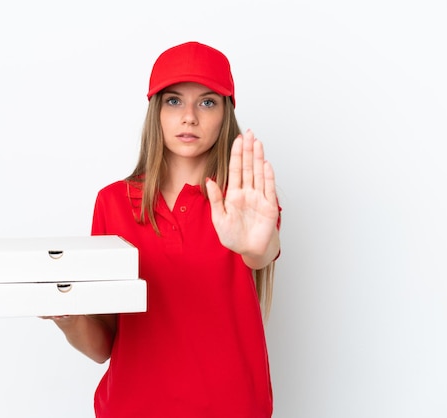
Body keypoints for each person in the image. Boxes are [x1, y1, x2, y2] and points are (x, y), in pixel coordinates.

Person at [47, 41, 281, 418]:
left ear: (226, 113)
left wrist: (259, 246)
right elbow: (103, 346)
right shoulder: (112, 203)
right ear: (155, 112)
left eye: (207, 102)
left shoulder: (245, 201)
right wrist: (67, 315)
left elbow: (262, 249)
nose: (189, 116)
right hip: (132, 408)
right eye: (174, 101)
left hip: (232, 407)